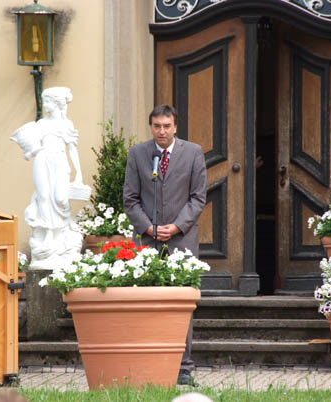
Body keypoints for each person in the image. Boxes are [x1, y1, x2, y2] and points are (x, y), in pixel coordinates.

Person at [123, 104, 207, 385]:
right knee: (145, 300)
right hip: (147, 239)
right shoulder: (138, 154)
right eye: (157, 126)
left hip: (182, 239)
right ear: (151, 127)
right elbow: (130, 199)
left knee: (182, 303)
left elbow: (198, 197)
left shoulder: (193, 153)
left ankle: (183, 367)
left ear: (175, 127)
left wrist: (177, 226)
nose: (162, 131)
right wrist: (148, 227)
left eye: (166, 126)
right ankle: (146, 362)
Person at [11, 87, 89, 269]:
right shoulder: (40, 124)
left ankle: (63, 236)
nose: (44, 105)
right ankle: (48, 236)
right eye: (44, 101)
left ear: (57, 103)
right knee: (44, 198)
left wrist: (78, 173)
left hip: (59, 161)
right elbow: (31, 148)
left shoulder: (66, 124)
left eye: (47, 101)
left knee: (61, 199)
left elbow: (72, 149)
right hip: (42, 160)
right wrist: (27, 150)